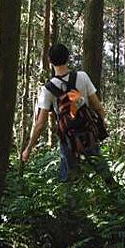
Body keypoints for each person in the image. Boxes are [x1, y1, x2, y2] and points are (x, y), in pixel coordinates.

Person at [21, 44, 114, 185]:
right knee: (103, 172)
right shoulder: (82, 77)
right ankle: (116, 200)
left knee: (70, 181)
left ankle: (72, 206)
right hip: (88, 134)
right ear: (68, 58)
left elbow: (40, 125)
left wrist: (28, 149)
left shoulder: (47, 90)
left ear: (50, 61)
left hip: (68, 140)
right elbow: (98, 107)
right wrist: (99, 128)